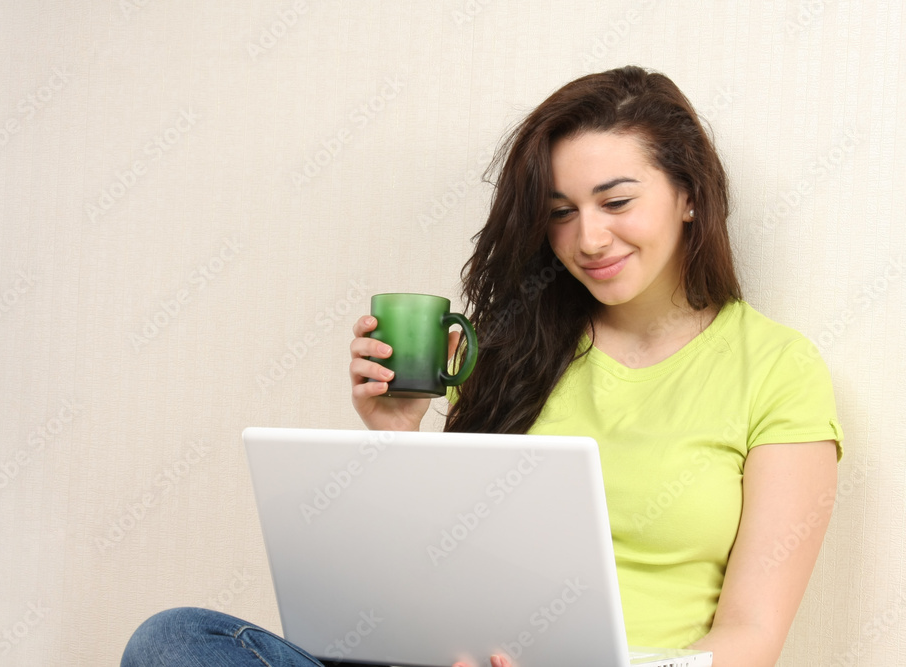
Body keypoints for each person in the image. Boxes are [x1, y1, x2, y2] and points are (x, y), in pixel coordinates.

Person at [121, 66, 842, 667]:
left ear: (688, 194)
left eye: (617, 201)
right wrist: (397, 431)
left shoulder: (777, 368)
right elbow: (437, 565)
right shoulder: (514, 346)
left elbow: (752, 636)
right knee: (174, 640)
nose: (589, 237)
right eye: (561, 211)